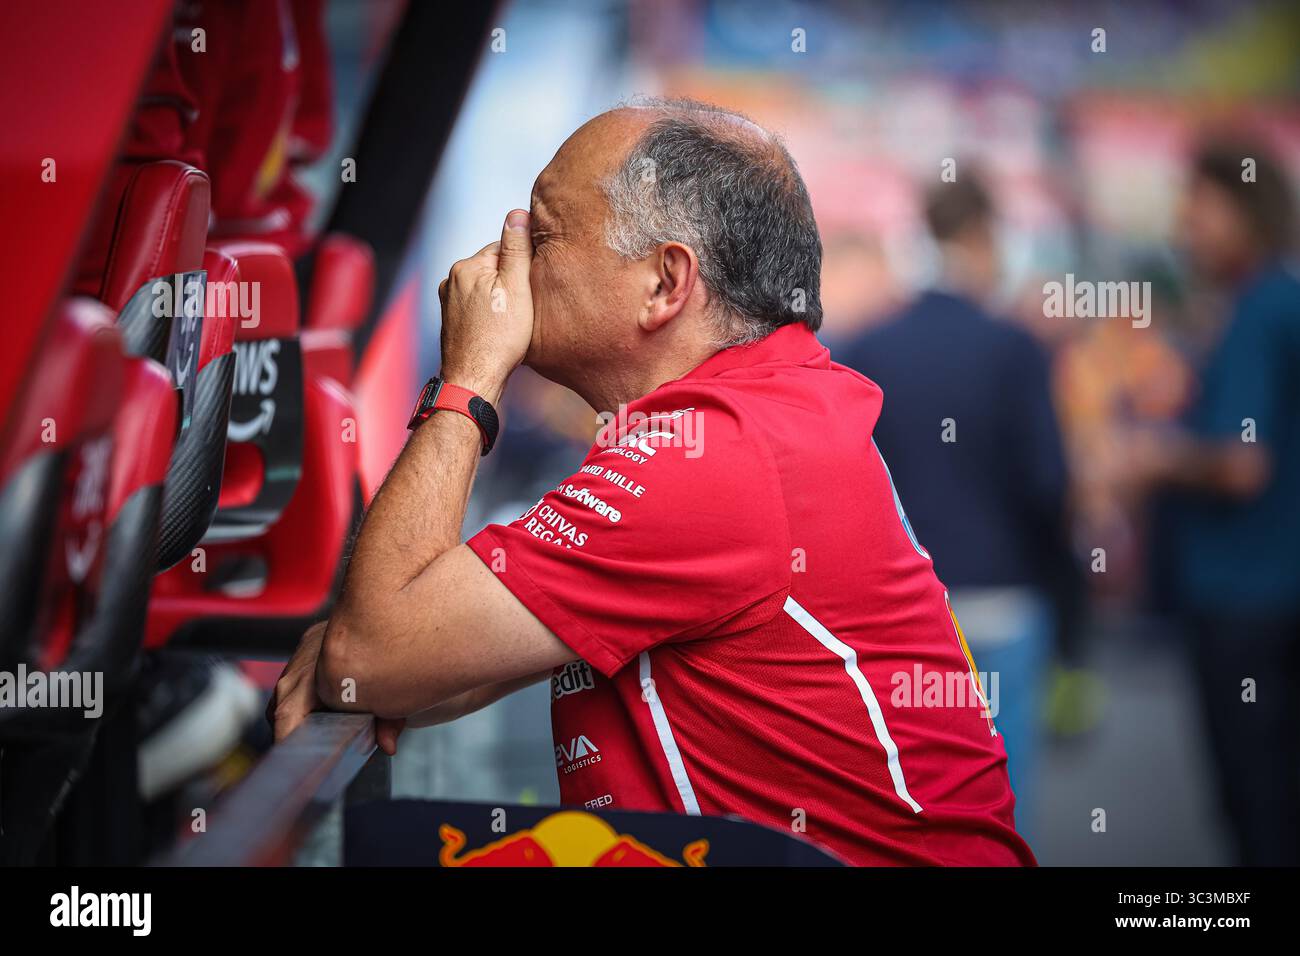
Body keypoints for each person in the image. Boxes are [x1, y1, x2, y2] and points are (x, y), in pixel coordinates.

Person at [271, 98, 1035, 866]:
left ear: (666, 282)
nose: (499, 267)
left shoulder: (718, 452)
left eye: (540, 235)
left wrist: (468, 381)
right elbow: (425, 660)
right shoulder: (763, 409)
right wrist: (387, 656)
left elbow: (373, 656)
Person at [837, 174, 1072, 840]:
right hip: (1003, 599)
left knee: (918, 798)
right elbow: (1047, 481)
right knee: (1002, 798)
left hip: (902, 612)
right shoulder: (1015, 348)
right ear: (980, 236)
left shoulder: (873, 347)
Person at [1131, 140, 1300, 865]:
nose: (1184, 227)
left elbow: (1240, 464)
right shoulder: (1263, 302)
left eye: (1197, 207)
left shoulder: (1260, 309)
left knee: (1257, 806)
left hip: (1249, 599)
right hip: (1262, 591)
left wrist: (1152, 454)